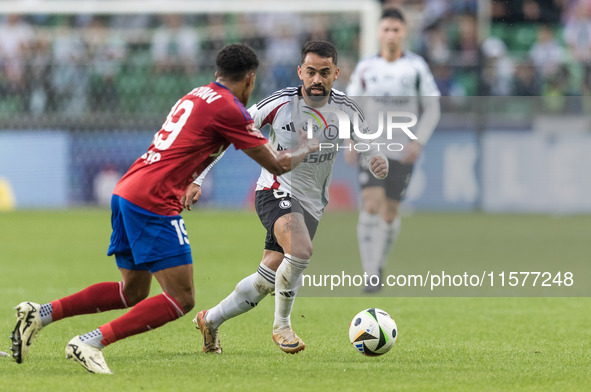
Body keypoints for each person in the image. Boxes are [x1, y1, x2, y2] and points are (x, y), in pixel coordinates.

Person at [10, 43, 318, 374]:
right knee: (181, 298)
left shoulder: (197, 94)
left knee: (132, 291)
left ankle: (39, 313)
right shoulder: (230, 109)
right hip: (153, 200)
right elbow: (276, 163)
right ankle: (90, 341)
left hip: (128, 189)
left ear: (217, 74)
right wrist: (307, 147)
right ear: (250, 79)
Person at [192, 41, 389, 355]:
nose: (317, 80)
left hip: (312, 203)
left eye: (325, 73)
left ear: (336, 73)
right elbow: (229, 132)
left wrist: (378, 160)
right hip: (275, 189)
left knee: (267, 278)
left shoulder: (347, 109)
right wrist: (198, 177)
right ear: (300, 71)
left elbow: (369, 144)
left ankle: (210, 319)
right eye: (310, 72)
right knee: (300, 250)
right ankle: (282, 326)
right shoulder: (279, 103)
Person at [345, 8, 441, 292]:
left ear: (404, 33)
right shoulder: (366, 68)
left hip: (402, 149)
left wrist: (419, 141)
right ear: (378, 32)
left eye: (395, 30)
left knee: (389, 213)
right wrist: (352, 139)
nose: (390, 35)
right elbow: (353, 106)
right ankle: (370, 273)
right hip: (372, 147)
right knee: (371, 204)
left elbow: (433, 107)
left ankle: (379, 263)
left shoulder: (416, 68)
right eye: (386, 29)